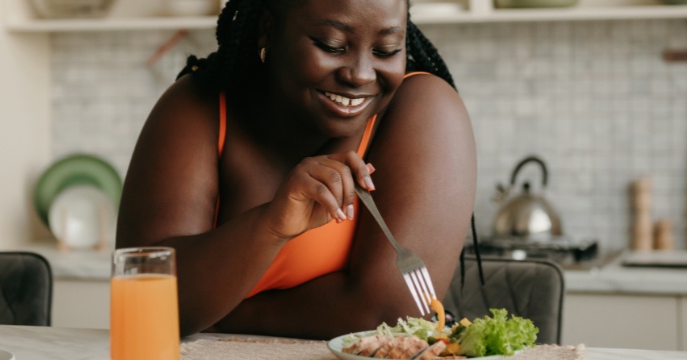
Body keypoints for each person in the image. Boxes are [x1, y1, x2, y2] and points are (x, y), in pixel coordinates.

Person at [116, 0, 477, 340]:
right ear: (268, 30)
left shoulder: (425, 110)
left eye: (386, 50)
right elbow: (145, 294)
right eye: (332, 45)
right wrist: (271, 225)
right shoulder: (199, 106)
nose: (361, 74)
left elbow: (387, 313)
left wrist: (221, 310)